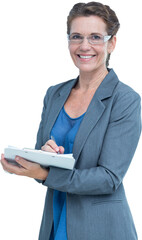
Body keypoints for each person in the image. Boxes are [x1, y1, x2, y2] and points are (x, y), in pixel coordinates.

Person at [1, 2, 141, 240]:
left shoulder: (125, 99)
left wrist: (46, 174)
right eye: (76, 36)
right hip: (55, 223)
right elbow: (41, 164)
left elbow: (109, 178)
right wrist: (39, 158)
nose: (84, 46)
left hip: (101, 229)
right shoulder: (54, 94)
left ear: (112, 43)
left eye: (95, 37)